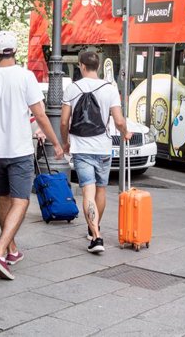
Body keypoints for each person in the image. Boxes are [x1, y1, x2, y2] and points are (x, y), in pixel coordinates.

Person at [0, 30, 63, 280]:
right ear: (15, 51)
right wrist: (56, 142)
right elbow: (41, 115)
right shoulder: (26, 77)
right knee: (21, 200)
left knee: (3, 197)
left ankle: (11, 249)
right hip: (20, 150)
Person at [60, 51, 131, 254]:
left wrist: (66, 142)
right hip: (103, 148)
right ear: (97, 66)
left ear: (81, 66)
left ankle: (96, 237)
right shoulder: (109, 89)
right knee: (101, 190)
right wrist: (125, 133)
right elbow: (118, 120)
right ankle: (94, 229)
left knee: (87, 192)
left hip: (81, 148)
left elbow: (64, 121)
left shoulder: (72, 88)